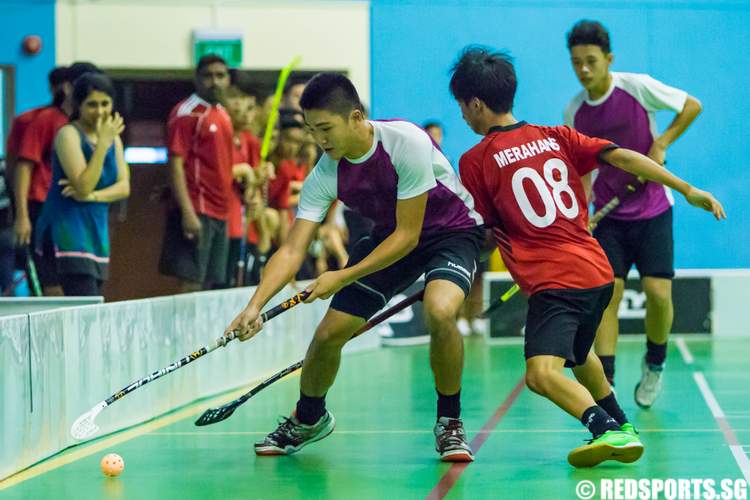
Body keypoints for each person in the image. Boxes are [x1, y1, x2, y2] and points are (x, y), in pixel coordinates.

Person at [450, 46, 724, 467]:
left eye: (463, 109)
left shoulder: (475, 160)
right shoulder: (555, 136)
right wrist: (685, 188)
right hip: (597, 273)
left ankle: (603, 429)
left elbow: (486, 228)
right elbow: (625, 156)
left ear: (476, 104)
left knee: (541, 374)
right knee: (581, 357)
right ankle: (622, 423)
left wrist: (447, 260)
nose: (464, 118)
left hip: (554, 282)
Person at [225, 72, 484, 462]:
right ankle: (309, 418)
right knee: (329, 333)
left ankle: (449, 422)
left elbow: (410, 236)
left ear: (357, 118)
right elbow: (292, 250)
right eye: (313, 130)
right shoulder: (327, 172)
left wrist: (341, 276)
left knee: (441, 310)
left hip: (450, 233)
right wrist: (255, 305)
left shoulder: (405, 142)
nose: (320, 140)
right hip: (389, 236)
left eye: (326, 128)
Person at [564, 21, 704, 407]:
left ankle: (655, 362)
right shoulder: (575, 111)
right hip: (609, 217)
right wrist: (582, 212)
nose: (584, 70)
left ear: (608, 59)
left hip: (654, 208)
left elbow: (692, 106)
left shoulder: (636, 87)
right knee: (610, 294)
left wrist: (661, 143)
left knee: (659, 293)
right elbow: (583, 170)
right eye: (576, 62)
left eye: (591, 61)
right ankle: (606, 380)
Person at [35, 72, 130, 296]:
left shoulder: (112, 137)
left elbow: (124, 187)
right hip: (66, 228)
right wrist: (102, 143)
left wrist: (93, 197)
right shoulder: (68, 134)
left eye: (105, 104)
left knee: (94, 299)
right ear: (79, 105)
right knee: (82, 299)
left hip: (96, 228)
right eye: (92, 105)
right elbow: (84, 184)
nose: (100, 111)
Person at [11, 63, 101, 295]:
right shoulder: (46, 120)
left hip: (74, 213)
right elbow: (23, 167)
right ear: (68, 88)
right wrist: (22, 216)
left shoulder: (87, 127)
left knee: (80, 280)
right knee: (51, 282)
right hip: (42, 210)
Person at [159, 55, 238, 292]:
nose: (215, 82)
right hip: (197, 208)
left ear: (228, 79)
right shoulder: (187, 113)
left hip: (220, 211)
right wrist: (187, 212)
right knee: (191, 281)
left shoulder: (222, 113)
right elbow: (175, 163)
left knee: (209, 282)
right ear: (197, 79)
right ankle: (181, 331)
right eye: (208, 76)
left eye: (220, 75)